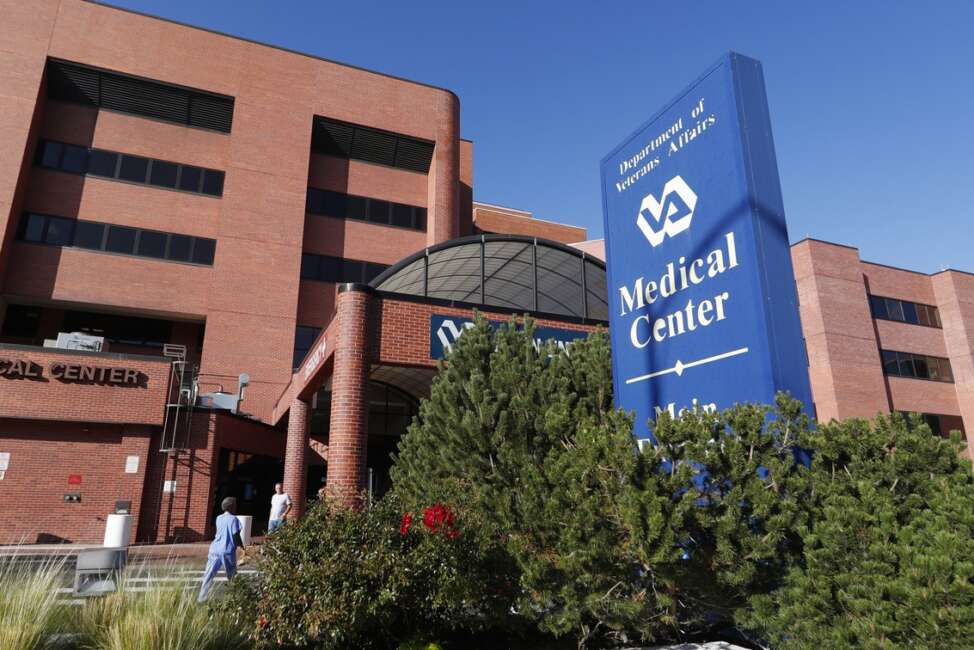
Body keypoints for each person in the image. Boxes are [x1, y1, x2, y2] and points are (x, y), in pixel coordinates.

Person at [198, 496, 245, 602]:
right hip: (227, 550)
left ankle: (202, 598)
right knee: (232, 575)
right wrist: (241, 547)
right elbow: (235, 535)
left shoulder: (218, 518)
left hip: (214, 549)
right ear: (231, 507)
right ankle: (237, 598)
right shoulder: (234, 519)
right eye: (235, 505)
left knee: (209, 574)